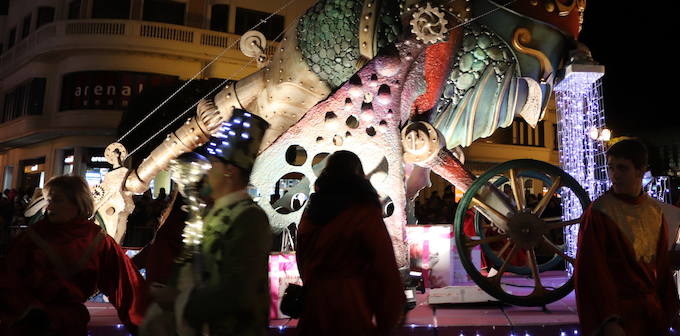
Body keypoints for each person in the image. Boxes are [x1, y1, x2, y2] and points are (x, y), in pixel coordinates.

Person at [148, 110, 272, 336]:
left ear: (229, 171)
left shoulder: (250, 219)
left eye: (213, 163)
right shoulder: (211, 213)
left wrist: (178, 300)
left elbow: (238, 292)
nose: (206, 169)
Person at [0, 175, 145, 336]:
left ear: (77, 202)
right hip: (30, 326)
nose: (49, 207)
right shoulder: (31, 237)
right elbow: (8, 281)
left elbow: (126, 287)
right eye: (48, 200)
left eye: (57, 200)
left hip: (71, 326)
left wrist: (147, 326)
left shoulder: (99, 240)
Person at [574, 138, 680, 336]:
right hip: (620, 315)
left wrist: (670, 307)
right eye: (611, 168)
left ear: (640, 171)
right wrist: (609, 319)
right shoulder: (599, 213)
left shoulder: (654, 211)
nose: (614, 175)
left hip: (651, 313)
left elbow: (662, 265)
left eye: (622, 168)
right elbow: (592, 271)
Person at [296, 150, 404, 335]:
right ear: (359, 175)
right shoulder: (364, 213)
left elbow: (302, 261)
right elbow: (385, 272)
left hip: (314, 311)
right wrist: (388, 322)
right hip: (352, 310)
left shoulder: (311, 213)